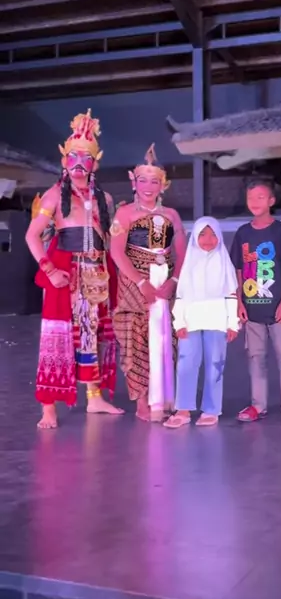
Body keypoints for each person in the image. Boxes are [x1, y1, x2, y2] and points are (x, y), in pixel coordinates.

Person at [25, 109, 122, 429]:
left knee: (92, 336)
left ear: (95, 163)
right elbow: (32, 236)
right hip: (65, 275)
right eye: (73, 156)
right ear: (64, 160)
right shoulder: (54, 195)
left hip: (96, 275)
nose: (79, 163)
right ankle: (48, 408)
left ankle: (94, 397)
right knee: (57, 338)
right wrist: (49, 270)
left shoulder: (105, 198)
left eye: (86, 158)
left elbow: (110, 239)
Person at [110, 145, 187, 423]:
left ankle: (163, 396)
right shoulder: (124, 213)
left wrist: (174, 281)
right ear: (134, 182)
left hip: (164, 280)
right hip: (134, 282)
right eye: (143, 180)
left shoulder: (172, 215)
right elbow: (117, 252)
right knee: (135, 340)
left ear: (163, 185)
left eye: (154, 181)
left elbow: (182, 252)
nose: (148, 187)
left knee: (166, 337)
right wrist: (141, 281)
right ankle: (142, 401)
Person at [230, 179, 281, 427]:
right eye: (251, 197)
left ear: (271, 201)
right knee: (255, 358)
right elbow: (239, 269)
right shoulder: (243, 233)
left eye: (261, 197)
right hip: (253, 309)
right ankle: (258, 405)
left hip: (278, 308)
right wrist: (239, 301)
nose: (255, 202)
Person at [164, 217, 239, 428]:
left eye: (213, 234)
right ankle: (183, 409)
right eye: (203, 234)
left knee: (215, 366)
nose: (208, 239)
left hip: (217, 320)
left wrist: (232, 323)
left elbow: (231, 294)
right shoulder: (189, 263)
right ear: (195, 237)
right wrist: (179, 322)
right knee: (186, 365)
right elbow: (181, 295)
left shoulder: (223, 262)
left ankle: (211, 410)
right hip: (191, 321)